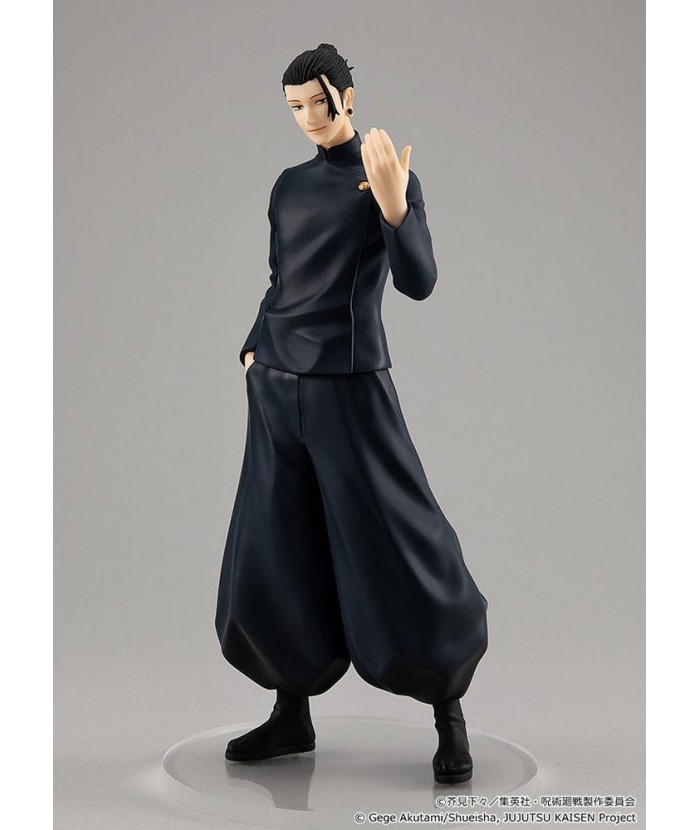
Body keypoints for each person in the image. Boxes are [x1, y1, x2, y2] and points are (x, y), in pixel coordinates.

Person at [215, 43, 488, 785]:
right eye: (294, 106)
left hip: (349, 385)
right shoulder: (288, 185)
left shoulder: (386, 175)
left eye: (317, 100)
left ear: (347, 96)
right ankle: (290, 708)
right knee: (278, 542)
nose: (308, 116)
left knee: (399, 536)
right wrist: (253, 348)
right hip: (276, 385)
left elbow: (419, 282)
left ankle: (448, 710)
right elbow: (280, 279)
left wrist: (396, 208)